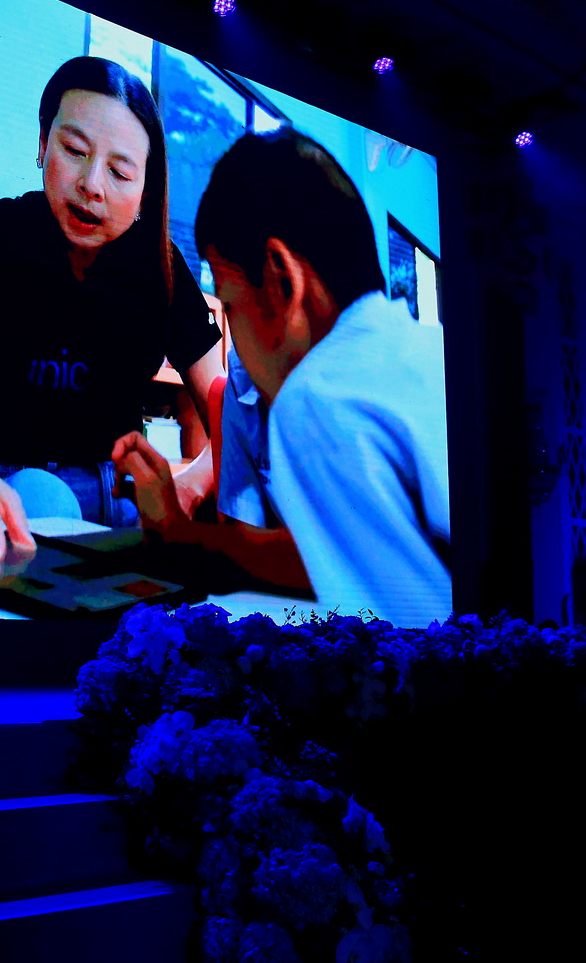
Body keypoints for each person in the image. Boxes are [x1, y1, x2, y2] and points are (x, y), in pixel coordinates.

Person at [0, 57, 224, 552]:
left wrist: (193, 481)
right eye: (74, 151)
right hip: (12, 487)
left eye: (120, 172)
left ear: (147, 187)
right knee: (44, 498)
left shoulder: (159, 264)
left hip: (119, 498)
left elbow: (225, 409)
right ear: (43, 143)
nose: (92, 184)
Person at [184, 128, 451, 627]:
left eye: (230, 303)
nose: (232, 335)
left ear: (281, 279)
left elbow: (403, 637)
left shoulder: (314, 397)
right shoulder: (433, 354)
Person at [112, 344, 311, 594]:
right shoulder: (243, 364)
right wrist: (175, 521)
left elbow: (337, 556)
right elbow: (245, 536)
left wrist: (180, 534)